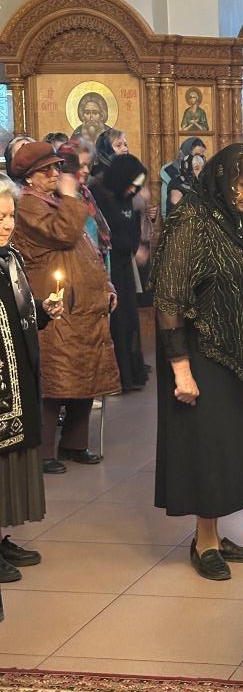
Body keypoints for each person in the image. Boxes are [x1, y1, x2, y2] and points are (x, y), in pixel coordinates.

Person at [151, 144, 243, 580]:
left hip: (230, 352)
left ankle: (216, 534)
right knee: (207, 449)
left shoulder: (235, 220)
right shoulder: (192, 218)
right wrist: (180, 367)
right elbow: (169, 297)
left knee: (228, 448)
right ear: (224, 177)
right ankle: (204, 542)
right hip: (198, 352)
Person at [11, 142, 121, 473]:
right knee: (55, 378)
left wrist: (106, 285)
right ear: (29, 178)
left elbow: (87, 248)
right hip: (56, 306)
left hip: (83, 308)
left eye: (56, 167)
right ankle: (44, 451)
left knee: (84, 374)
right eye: (46, 170)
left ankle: (75, 443)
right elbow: (63, 233)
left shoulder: (56, 201)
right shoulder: (28, 205)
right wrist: (72, 197)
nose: (55, 174)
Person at [0, 173, 63, 582]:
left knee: (10, 460)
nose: (7, 225)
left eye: (10, 216)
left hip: (17, 373)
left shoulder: (11, 259)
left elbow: (17, 311)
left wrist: (43, 310)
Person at [89, 154, 148, 392]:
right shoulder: (101, 196)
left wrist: (134, 245)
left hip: (125, 264)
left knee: (130, 318)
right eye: (133, 184)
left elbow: (132, 229)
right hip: (110, 266)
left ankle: (131, 374)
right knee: (117, 321)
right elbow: (107, 232)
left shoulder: (127, 198)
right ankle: (117, 377)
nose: (134, 189)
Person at [58, 139, 112, 269]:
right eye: (81, 165)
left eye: (88, 165)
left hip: (94, 262)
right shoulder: (60, 198)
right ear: (68, 165)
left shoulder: (86, 193)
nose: (86, 170)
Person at [160, 138, 207, 218]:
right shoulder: (172, 176)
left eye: (202, 156)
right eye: (197, 155)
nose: (200, 160)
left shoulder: (203, 176)